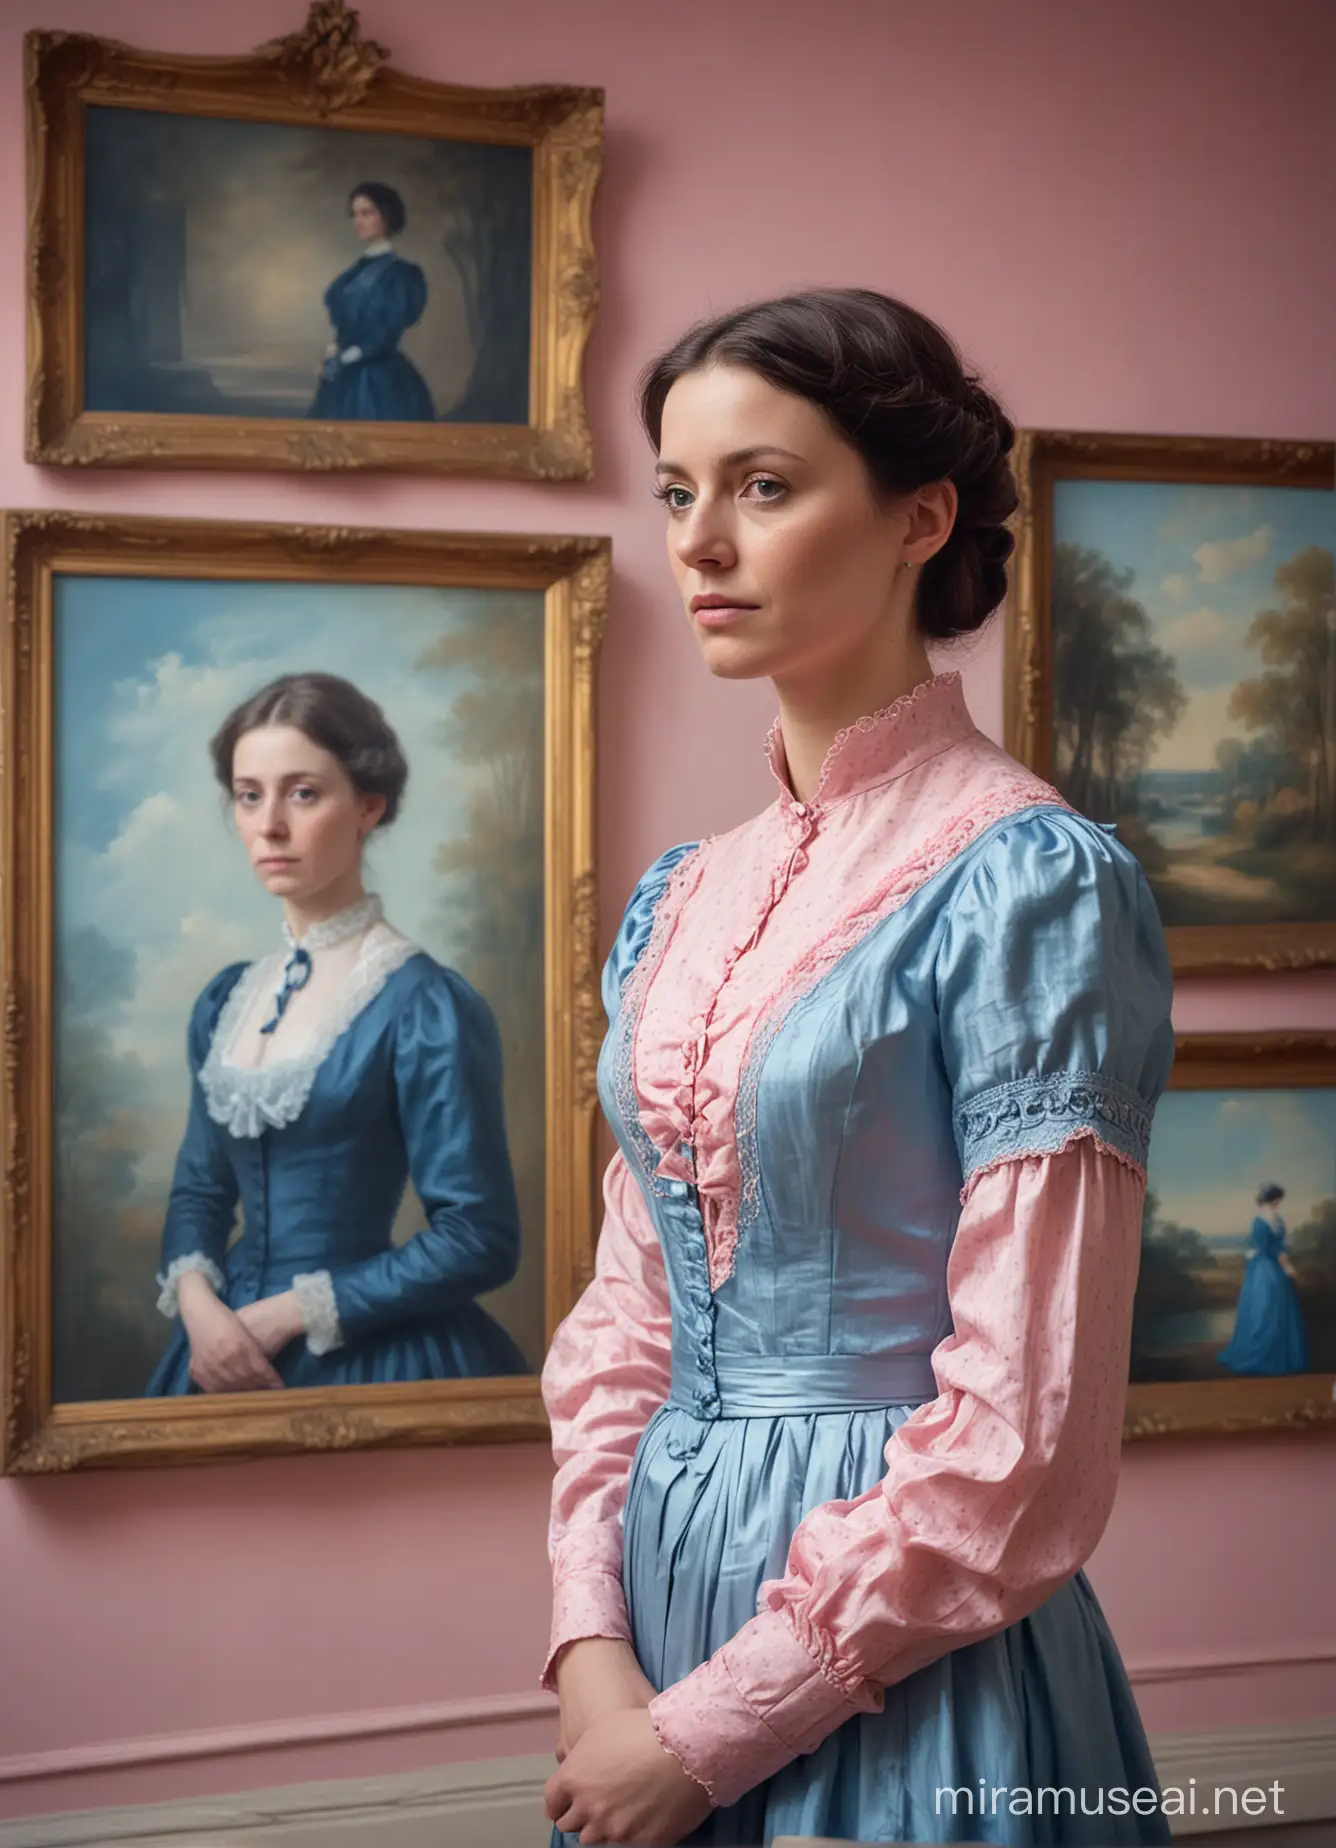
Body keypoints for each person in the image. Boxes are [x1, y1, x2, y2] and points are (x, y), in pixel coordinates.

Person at [539, 291, 1177, 1847]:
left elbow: (1027, 1439)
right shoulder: (679, 900)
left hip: (904, 1657)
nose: (695, 541)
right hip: (660, 1623)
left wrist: (720, 1725)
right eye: (677, 491)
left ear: (921, 514)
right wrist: (589, 1653)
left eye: (762, 486)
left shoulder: (1033, 881)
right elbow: (630, 1315)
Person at [146, 671, 528, 1395]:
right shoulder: (227, 999)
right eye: (249, 795)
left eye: (304, 793)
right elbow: (199, 1190)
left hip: (372, 1354)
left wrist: (284, 1316)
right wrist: (203, 1312)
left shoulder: (424, 1004)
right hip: (217, 1351)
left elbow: (479, 1238)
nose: (269, 826)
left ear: (369, 806)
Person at [307, 182, 436, 422]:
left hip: (377, 376)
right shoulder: (356, 269)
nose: (358, 221)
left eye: (367, 213)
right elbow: (345, 322)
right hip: (343, 372)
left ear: (386, 215)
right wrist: (333, 354)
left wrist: (345, 358)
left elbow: (385, 334)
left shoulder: (401, 273)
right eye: (355, 214)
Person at [1216, 1183, 1309, 1375]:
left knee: (1276, 1308)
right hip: (1264, 1269)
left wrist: (1286, 1264)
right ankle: (1260, 1355)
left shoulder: (1276, 1220)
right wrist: (1287, 1266)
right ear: (1273, 1198)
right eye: (1278, 1199)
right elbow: (1269, 1248)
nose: (1279, 1202)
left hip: (1269, 1267)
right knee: (1264, 1308)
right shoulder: (1261, 1221)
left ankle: (1279, 1357)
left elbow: (1280, 1246)